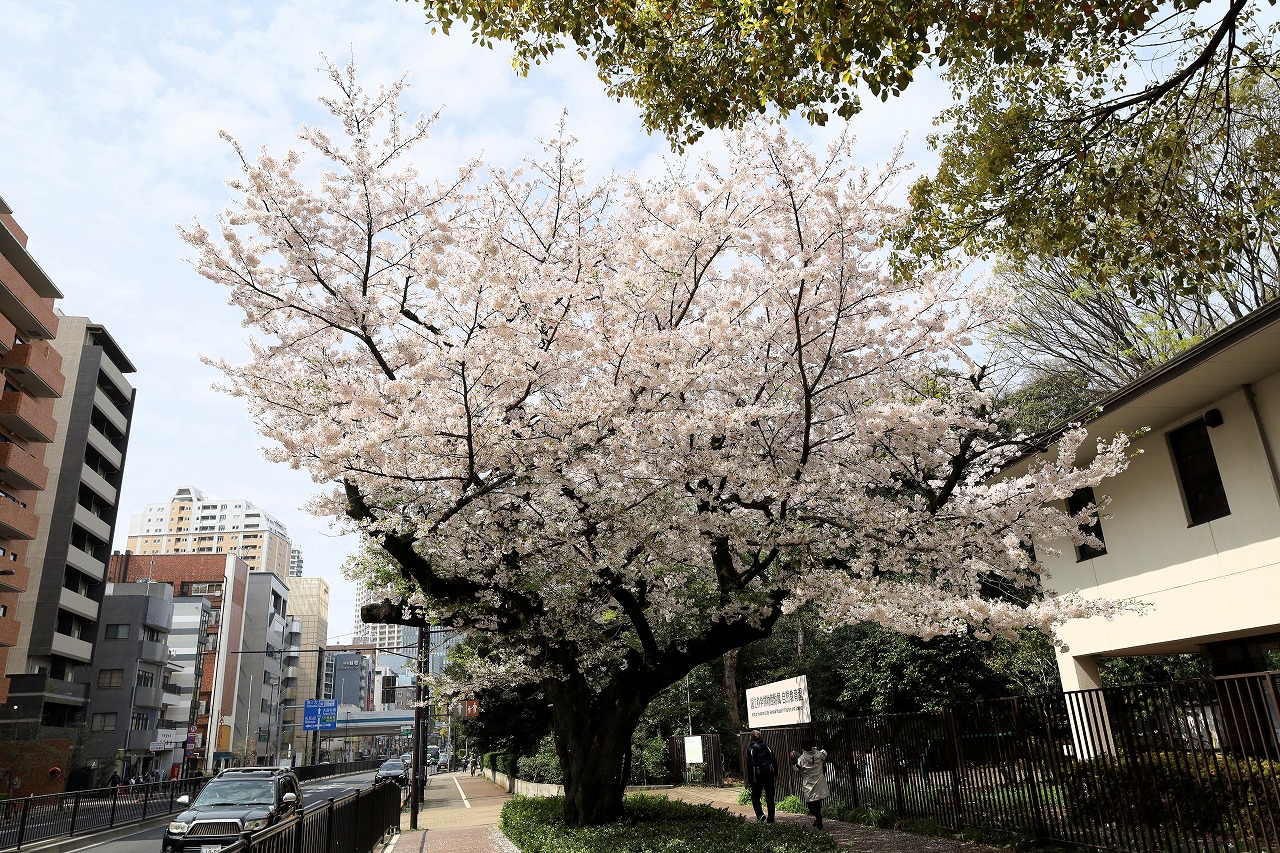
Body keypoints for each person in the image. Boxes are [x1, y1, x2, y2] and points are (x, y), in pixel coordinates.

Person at [790, 739, 830, 829]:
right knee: (817, 800)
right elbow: (825, 752)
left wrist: (792, 759)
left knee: (810, 803)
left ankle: (818, 816)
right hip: (819, 781)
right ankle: (817, 818)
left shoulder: (802, 759)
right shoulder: (819, 754)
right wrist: (816, 748)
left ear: (803, 747)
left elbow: (796, 768)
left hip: (808, 783)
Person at [744, 730, 778, 823]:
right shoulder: (767, 747)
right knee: (770, 796)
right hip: (769, 774)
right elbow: (774, 760)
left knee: (755, 796)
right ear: (761, 737)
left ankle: (760, 815)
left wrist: (751, 782)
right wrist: (775, 774)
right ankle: (771, 818)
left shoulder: (751, 749)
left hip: (757, 776)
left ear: (751, 738)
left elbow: (750, 766)